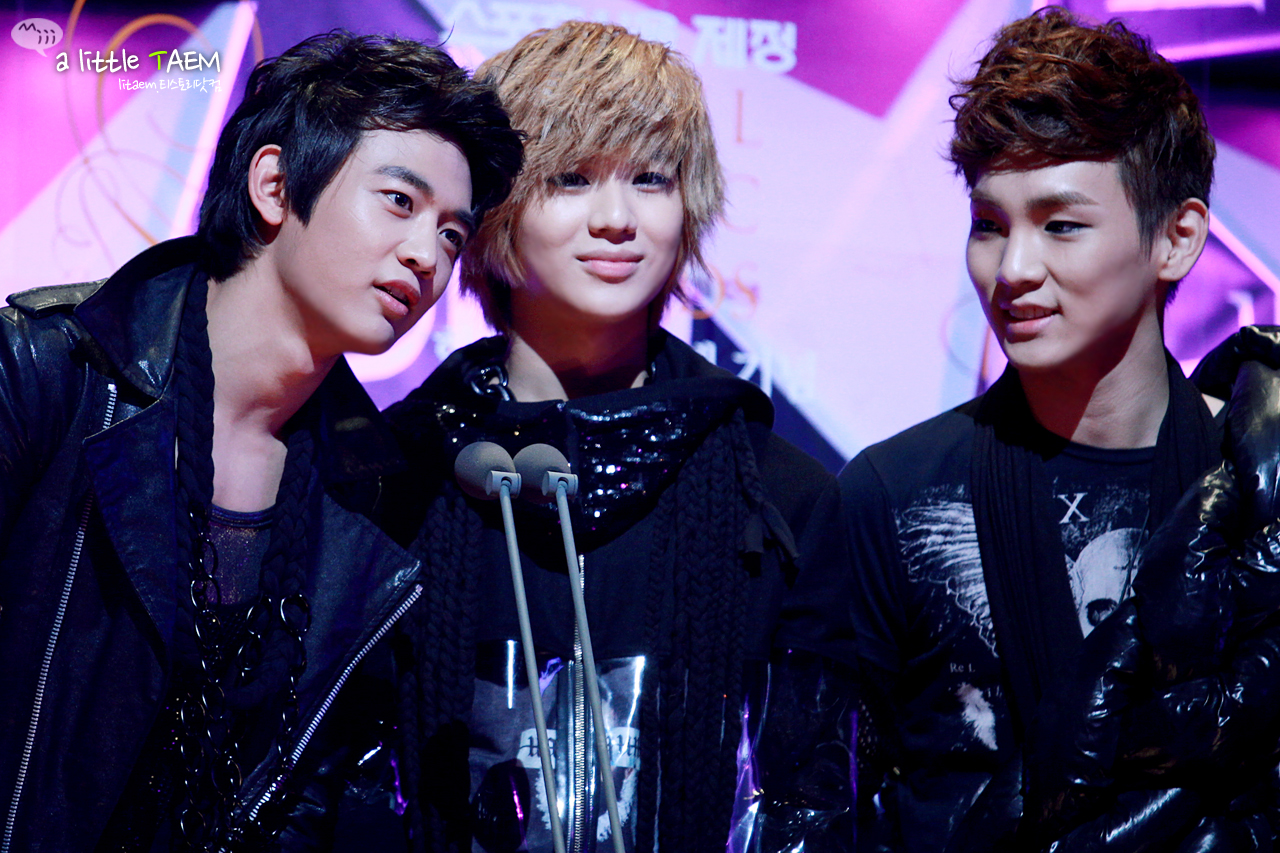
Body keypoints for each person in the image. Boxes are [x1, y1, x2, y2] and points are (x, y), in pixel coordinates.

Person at [0, 31, 521, 852]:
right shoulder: (49, 369)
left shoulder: (362, 487)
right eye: (399, 201)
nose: (427, 256)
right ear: (275, 185)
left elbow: (302, 791)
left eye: (452, 234)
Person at [382, 21, 855, 853]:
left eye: (650, 179)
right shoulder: (399, 473)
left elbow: (809, 798)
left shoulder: (779, 495)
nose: (616, 219)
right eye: (570, 178)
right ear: (491, 208)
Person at [838, 8, 1218, 850]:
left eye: (1061, 225)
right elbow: (824, 803)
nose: (1012, 269)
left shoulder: (1253, 483)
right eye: (989, 224)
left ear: (1177, 237)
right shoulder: (889, 495)